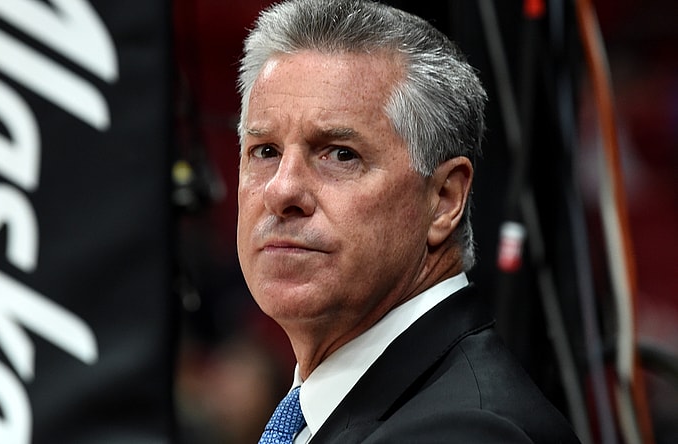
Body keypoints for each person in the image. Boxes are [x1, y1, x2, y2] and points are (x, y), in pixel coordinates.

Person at [235, 0, 581, 442]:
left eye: (341, 154)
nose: (282, 192)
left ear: (444, 199)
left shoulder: (467, 433)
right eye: (265, 151)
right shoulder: (338, 411)